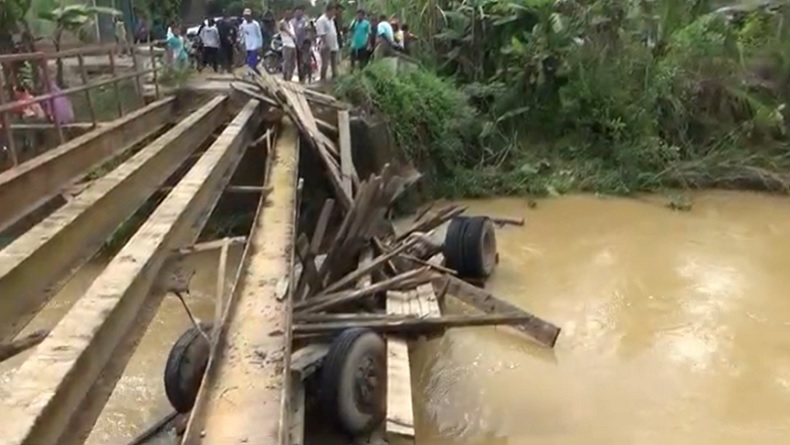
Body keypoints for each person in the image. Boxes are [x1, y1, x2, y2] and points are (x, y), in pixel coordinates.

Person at [315, 4, 339, 82]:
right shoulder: (321, 20)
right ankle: (322, 79)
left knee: (334, 64)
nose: (334, 14)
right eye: (333, 12)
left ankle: (334, 79)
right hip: (326, 46)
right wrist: (325, 44)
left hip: (334, 45)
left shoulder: (331, 20)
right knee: (325, 64)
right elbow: (322, 34)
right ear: (328, 11)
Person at [290, 6, 309, 82]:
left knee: (302, 62)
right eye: (297, 12)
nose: (298, 14)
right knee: (293, 62)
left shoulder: (304, 21)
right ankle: (290, 76)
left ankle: (303, 77)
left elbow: (307, 31)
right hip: (293, 44)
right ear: (294, 13)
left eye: (300, 12)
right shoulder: (291, 22)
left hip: (302, 44)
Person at [280, 9, 297, 81]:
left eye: (290, 14)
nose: (289, 15)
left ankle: (289, 77)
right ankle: (285, 77)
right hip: (287, 45)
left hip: (293, 45)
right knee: (286, 62)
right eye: (287, 14)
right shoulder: (282, 22)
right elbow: (287, 31)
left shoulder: (290, 23)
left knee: (293, 63)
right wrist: (293, 36)